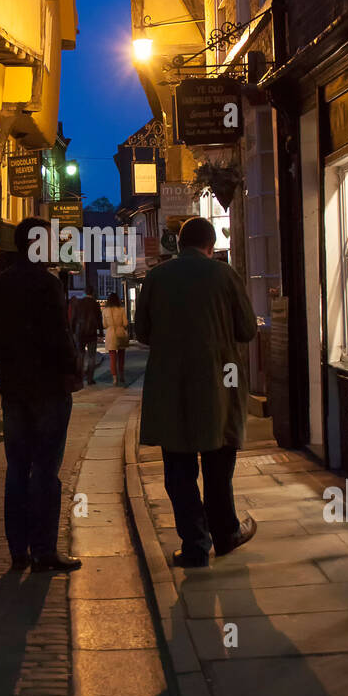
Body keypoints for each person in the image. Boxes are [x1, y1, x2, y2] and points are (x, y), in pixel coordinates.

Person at [135, 216, 258, 569]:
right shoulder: (225, 275)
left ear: (178, 244)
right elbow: (247, 329)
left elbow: (142, 332)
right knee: (219, 466)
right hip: (221, 382)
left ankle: (194, 547)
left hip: (171, 387)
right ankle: (226, 533)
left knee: (179, 471)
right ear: (211, 246)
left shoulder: (156, 278)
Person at [0, 216, 82, 573]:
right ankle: (43, 550)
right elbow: (58, 334)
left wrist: (10, 361)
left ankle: (17, 551)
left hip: (14, 388)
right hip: (49, 388)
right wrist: (71, 370)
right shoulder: (46, 284)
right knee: (45, 470)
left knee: (17, 468)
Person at [70, 284, 103, 385]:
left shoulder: (79, 303)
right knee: (92, 356)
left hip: (80, 332)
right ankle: (90, 378)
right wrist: (101, 333)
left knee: (80, 355)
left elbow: (74, 318)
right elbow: (99, 319)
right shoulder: (95, 304)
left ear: (85, 292)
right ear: (92, 292)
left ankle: (79, 378)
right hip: (92, 332)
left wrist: (72, 331)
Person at [102, 291, 129, 386]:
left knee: (112, 357)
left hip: (110, 334)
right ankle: (121, 375)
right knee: (121, 357)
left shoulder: (105, 311)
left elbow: (104, 324)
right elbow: (125, 323)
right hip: (120, 333)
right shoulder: (121, 310)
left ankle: (114, 378)